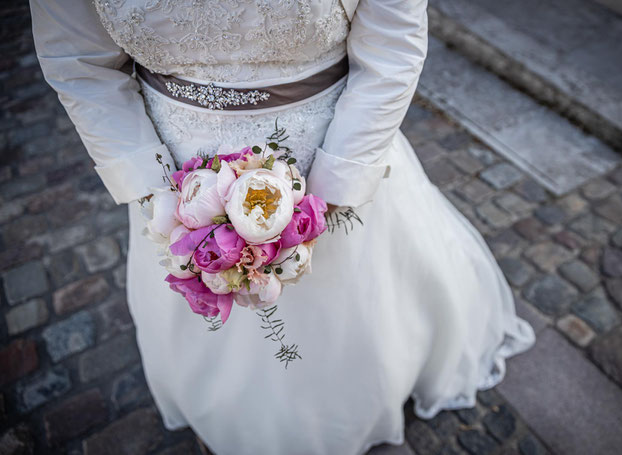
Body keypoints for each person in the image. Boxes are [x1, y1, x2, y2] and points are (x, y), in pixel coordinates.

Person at [30, 0, 535, 453]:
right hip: (176, 185)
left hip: (328, 160)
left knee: (343, 319)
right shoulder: (163, 193)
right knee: (215, 335)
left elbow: (393, 48)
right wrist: (151, 187)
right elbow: (78, 62)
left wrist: (332, 193)